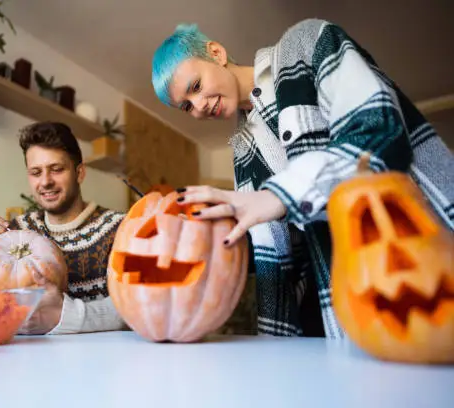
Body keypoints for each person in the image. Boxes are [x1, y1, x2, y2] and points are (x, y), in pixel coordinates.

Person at [152, 18, 454, 338]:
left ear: (216, 52)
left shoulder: (305, 45)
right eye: (186, 106)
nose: (198, 106)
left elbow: (378, 129)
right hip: (350, 310)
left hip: (432, 262)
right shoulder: (242, 152)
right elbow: (282, 257)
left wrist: (276, 195)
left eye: (196, 87)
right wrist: (208, 250)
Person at [0, 121, 127, 335]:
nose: (45, 182)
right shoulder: (16, 231)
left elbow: (137, 304)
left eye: (56, 169)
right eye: (36, 172)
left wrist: (66, 315)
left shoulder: (120, 229)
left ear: (79, 173)